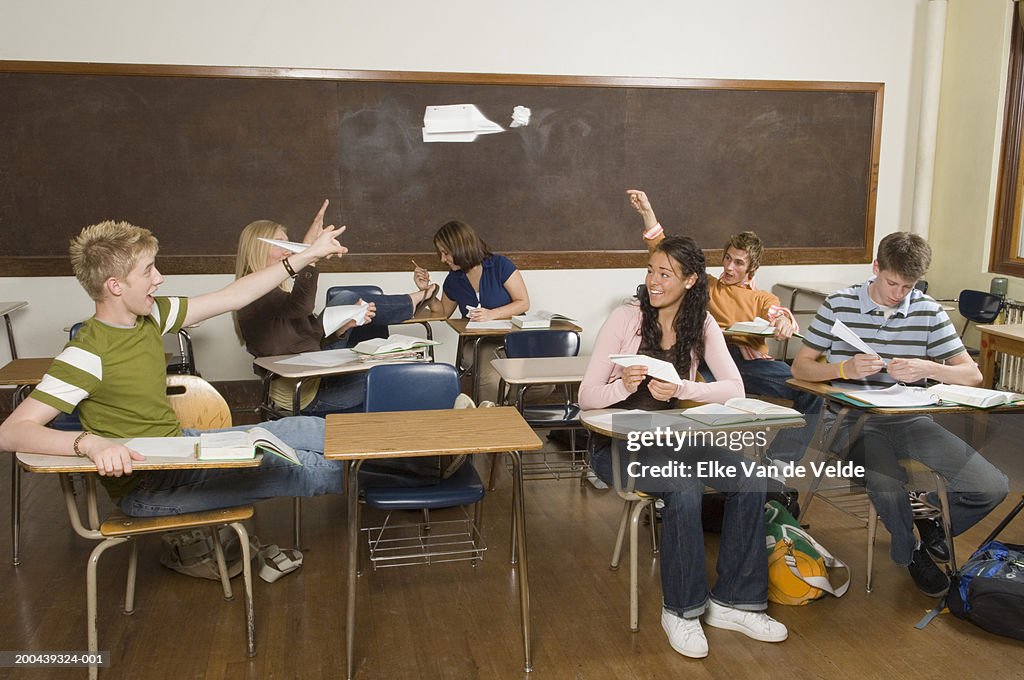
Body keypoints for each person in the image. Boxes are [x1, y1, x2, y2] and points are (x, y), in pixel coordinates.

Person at [0, 218, 351, 517]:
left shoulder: (151, 316)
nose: (160, 278)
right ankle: (398, 477)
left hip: (179, 448)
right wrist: (91, 444)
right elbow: (11, 432)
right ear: (115, 285)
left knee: (310, 430)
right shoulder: (87, 354)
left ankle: (397, 462)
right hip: (150, 488)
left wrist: (308, 255)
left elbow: (235, 295)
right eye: (148, 270)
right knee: (310, 470)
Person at [580, 235, 787, 659]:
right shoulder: (627, 318)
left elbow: (734, 385)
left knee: (750, 477)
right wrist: (621, 385)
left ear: (691, 280)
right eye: (651, 271)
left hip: (675, 437)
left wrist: (684, 387)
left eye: (665, 274)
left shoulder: (703, 322)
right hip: (616, 446)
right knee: (684, 486)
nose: (653, 281)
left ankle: (734, 602)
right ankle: (682, 610)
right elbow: (585, 397)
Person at [791, 231, 1008, 597]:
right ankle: (910, 556)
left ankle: (931, 530)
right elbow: (800, 368)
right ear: (876, 267)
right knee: (887, 482)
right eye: (892, 282)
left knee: (992, 486)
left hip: (909, 417)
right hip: (850, 419)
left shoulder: (927, 310)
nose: (898, 293)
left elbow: (972, 374)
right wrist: (844, 370)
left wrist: (929, 368)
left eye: (908, 286)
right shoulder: (839, 304)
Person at [626, 189, 821, 464]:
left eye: (738, 263)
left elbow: (776, 312)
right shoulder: (706, 284)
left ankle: (778, 462)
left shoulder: (762, 297)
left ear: (752, 268)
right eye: (727, 258)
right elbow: (664, 251)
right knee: (682, 388)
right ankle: (676, 461)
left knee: (812, 393)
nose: (729, 267)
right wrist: (647, 213)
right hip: (710, 361)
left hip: (750, 365)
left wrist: (783, 321)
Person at [234, 200, 437, 416]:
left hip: (313, 375)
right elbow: (301, 306)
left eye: (288, 243)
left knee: (347, 299)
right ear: (258, 249)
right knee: (403, 376)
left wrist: (342, 327)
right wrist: (310, 254)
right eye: (280, 244)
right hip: (304, 393)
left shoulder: (270, 290)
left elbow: (308, 339)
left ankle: (412, 304)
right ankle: (446, 420)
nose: (287, 251)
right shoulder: (254, 291)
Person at [414, 219, 530, 402]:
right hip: (477, 343)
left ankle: (504, 412)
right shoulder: (454, 279)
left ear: (461, 247)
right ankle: (489, 421)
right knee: (492, 378)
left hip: (512, 340)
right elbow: (443, 311)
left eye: (446, 253)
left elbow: (523, 303)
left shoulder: (500, 265)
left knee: (540, 384)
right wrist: (426, 290)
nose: (442, 259)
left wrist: (492, 314)